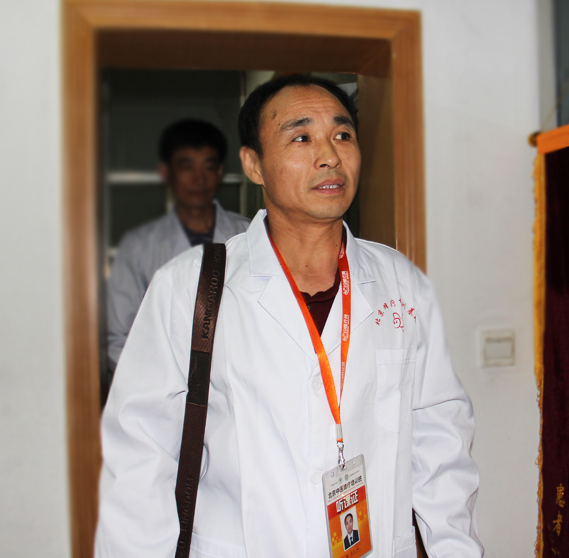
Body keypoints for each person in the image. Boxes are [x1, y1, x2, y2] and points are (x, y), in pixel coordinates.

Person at [96, 75, 483, 557]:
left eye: (342, 135)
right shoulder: (190, 287)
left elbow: (440, 440)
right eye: (301, 137)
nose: (330, 156)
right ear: (253, 165)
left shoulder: (401, 283)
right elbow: (139, 458)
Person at [106, 119, 250, 370]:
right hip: (161, 382)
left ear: (219, 172)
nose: (199, 179)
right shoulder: (139, 246)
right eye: (187, 167)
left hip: (238, 379)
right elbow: (119, 338)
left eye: (208, 167)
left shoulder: (248, 233)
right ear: (166, 172)